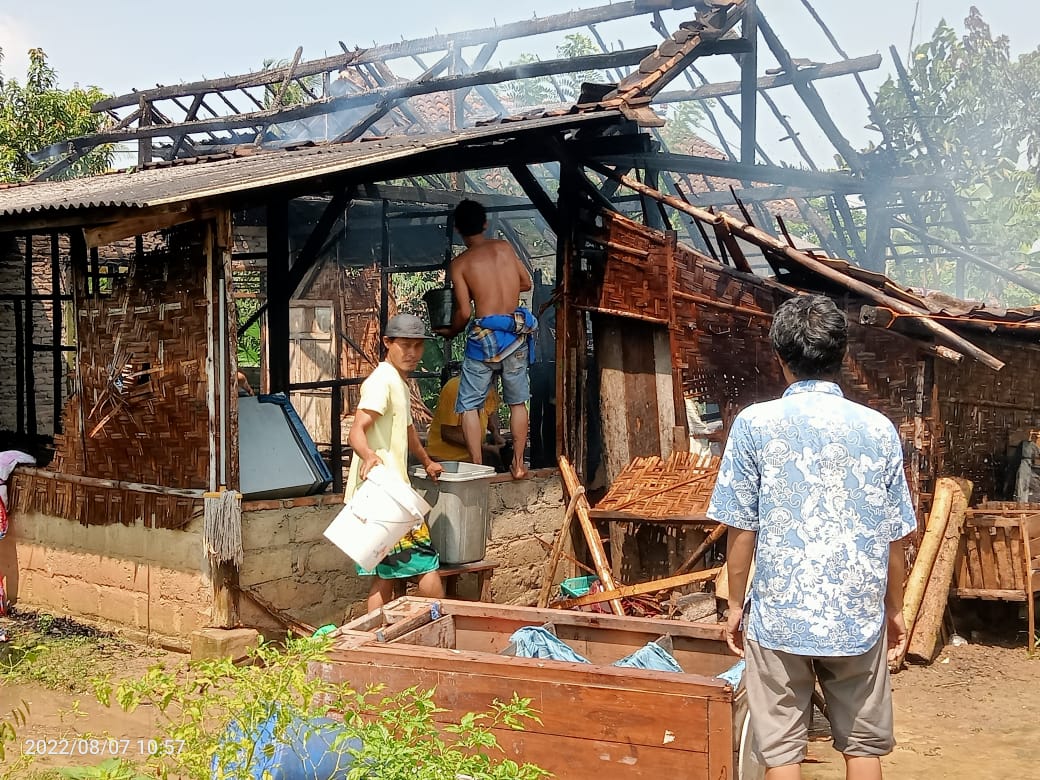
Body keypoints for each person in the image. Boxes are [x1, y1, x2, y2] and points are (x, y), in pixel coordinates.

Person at [706, 295, 917, 780]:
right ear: (841, 357)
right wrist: (896, 609)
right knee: (864, 747)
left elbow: (742, 531)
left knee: (780, 752)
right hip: (856, 617)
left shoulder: (754, 425)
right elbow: (893, 539)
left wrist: (736, 605)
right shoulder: (879, 430)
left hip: (780, 615)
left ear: (780, 359)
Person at [346, 313, 445, 611]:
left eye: (418, 346)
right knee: (426, 564)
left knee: (384, 575)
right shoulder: (381, 382)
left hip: (380, 495)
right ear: (387, 343)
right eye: (405, 345)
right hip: (384, 496)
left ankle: (377, 637)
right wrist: (369, 455)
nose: (412, 353)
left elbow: (407, 429)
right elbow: (356, 430)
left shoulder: (398, 382)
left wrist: (426, 461)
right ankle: (441, 625)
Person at [436, 199, 536, 480]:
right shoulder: (504, 248)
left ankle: (478, 467)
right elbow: (526, 282)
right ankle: (518, 464)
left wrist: (451, 331)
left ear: (458, 229)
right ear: (484, 224)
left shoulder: (460, 265)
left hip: (484, 341)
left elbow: (465, 312)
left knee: (469, 404)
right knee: (517, 403)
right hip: (514, 337)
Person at [426, 362, 507, 469]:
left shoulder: (489, 389)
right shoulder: (454, 388)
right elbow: (447, 432)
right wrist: (483, 447)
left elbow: (489, 414)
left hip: (471, 457)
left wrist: (496, 435)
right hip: (446, 459)